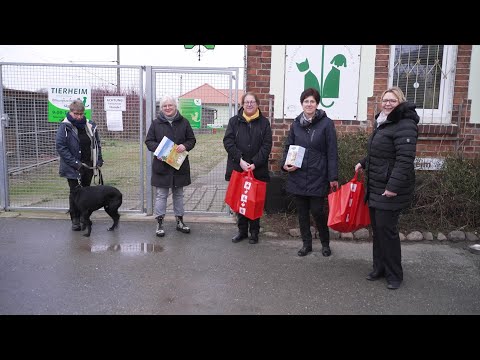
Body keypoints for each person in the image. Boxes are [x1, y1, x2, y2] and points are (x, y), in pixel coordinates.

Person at [355, 86, 419, 290]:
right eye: (385, 100)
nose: (388, 103)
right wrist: (363, 162)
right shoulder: (383, 122)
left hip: (389, 189)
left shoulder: (405, 124)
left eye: (392, 100)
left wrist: (392, 187)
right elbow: (380, 152)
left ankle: (394, 275)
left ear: (400, 102)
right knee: (378, 230)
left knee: (388, 232)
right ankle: (379, 268)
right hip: (375, 186)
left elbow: (404, 160)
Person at [282, 88, 339, 257]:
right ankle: (306, 244)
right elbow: (287, 147)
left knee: (318, 211)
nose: (309, 104)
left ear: (317, 103)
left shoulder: (326, 124)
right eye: (306, 101)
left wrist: (333, 177)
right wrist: (285, 164)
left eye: (312, 101)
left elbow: (332, 152)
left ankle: (325, 243)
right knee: (302, 213)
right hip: (298, 176)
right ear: (302, 104)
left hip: (318, 175)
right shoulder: (296, 124)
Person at [223, 92, 272, 244]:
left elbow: (266, 145)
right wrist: (240, 160)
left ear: (257, 104)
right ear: (242, 105)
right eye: (246, 102)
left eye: (252, 102)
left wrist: (255, 162)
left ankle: (254, 232)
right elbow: (228, 142)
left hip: (257, 168)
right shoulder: (234, 122)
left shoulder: (264, 123)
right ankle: (242, 231)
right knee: (240, 200)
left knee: (254, 201)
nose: (249, 104)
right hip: (239, 168)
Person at [145, 95, 196, 237]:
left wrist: (184, 146)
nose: (167, 108)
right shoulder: (156, 124)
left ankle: (180, 221)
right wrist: (162, 150)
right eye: (164, 106)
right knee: (161, 195)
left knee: (179, 194)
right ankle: (159, 223)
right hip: (162, 166)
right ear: (161, 108)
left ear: (175, 107)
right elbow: (149, 141)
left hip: (179, 165)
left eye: (170, 105)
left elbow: (191, 140)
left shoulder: (184, 122)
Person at [55, 99, 104, 231]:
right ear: (71, 112)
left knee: (86, 193)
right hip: (73, 166)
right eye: (76, 113)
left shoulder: (90, 125)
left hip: (88, 165)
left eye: (81, 113)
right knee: (75, 193)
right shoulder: (65, 126)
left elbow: (97, 144)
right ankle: (75, 219)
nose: (79, 116)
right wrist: (76, 164)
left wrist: (98, 159)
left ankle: (85, 217)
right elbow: (61, 147)